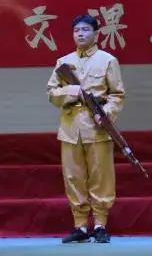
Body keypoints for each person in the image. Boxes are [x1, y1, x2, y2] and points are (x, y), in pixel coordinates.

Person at [46, 14, 126, 244]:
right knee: (73, 177)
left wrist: (107, 114)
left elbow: (117, 95)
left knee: (101, 176)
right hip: (70, 127)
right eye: (76, 30)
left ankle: (100, 225)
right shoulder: (63, 62)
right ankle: (80, 225)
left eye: (85, 30)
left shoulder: (108, 60)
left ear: (96, 33)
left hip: (97, 126)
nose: (80, 34)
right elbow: (51, 93)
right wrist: (73, 92)